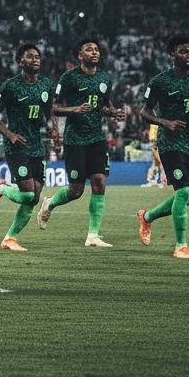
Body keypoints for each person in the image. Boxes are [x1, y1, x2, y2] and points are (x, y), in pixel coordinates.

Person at [37, 38, 124, 246]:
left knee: (99, 182)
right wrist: (73, 109)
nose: (94, 52)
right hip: (76, 140)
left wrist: (112, 112)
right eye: (88, 49)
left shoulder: (105, 78)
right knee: (75, 191)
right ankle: (49, 203)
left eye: (96, 49)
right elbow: (53, 107)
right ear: (80, 55)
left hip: (97, 139)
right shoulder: (69, 78)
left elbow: (102, 105)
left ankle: (93, 235)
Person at [137, 35, 189, 259]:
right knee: (181, 191)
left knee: (186, 197)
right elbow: (144, 112)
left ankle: (147, 217)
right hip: (169, 143)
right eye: (183, 51)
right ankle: (181, 246)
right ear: (172, 55)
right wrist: (166, 123)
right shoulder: (160, 81)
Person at [0, 42, 58, 252]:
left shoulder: (46, 85)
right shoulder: (10, 86)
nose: (35, 59)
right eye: (29, 56)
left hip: (37, 146)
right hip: (16, 146)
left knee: (33, 198)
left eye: (37, 56)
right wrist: (9, 134)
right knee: (26, 194)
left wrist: (53, 131)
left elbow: (48, 112)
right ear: (20, 61)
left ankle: (10, 238)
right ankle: (0, 187)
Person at [143, 123, 165, 187]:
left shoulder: (158, 124)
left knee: (159, 164)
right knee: (156, 164)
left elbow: (154, 138)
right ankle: (155, 180)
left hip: (160, 146)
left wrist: (155, 145)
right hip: (158, 146)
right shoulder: (155, 124)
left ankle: (158, 180)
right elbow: (153, 138)